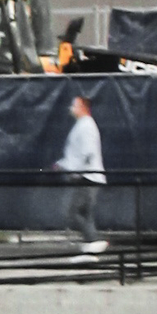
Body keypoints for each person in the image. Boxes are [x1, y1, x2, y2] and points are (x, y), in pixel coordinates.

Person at [60, 90, 106, 250]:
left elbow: (87, 152)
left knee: (75, 212)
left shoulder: (86, 126)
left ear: (82, 107)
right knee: (85, 213)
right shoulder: (82, 125)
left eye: (74, 105)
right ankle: (91, 244)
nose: (71, 108)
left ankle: (92, 242)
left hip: (88, 177)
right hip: (87, 176)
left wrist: (75, 170)